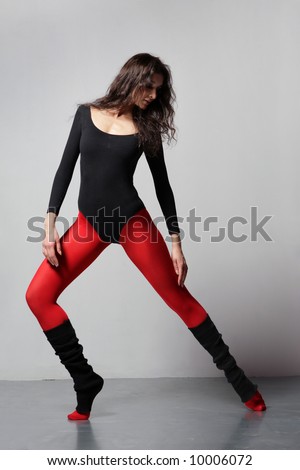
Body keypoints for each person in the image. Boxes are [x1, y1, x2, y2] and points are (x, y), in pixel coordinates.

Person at [25, 52, 266, 421]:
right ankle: (86, 380)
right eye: (149, 87)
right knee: (38, 296)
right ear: (131, 78)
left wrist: (176, 243)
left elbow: (162, 188)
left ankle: (240, 381)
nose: (153, 96)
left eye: (158, 91)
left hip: (130, 222)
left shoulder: (145, 130)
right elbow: (64, 170)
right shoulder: (85, 114)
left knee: (179, 298)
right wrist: (49, 225)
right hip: (90, 223)